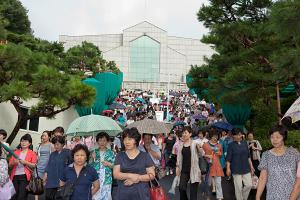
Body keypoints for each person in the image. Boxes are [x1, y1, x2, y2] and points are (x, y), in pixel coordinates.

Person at [255, 124, 300, 200]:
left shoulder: (294, 154)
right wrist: (257, 196)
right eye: (272, 137)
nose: (274, 140)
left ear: (284, 137)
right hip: (273, 196)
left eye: (278, 137)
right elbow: (262, 177)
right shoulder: (266, 155)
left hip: (292, 195)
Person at [113, 128, 155, 200]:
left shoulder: (145, 156)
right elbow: (116, 174)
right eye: (125, 139)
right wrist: (132, 176)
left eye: (130, 139)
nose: (126, 142)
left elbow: (152, 175)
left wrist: (138, 178)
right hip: (123, 195)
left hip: (141, 195)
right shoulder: (120, 155)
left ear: (136, 140)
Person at [226, 128, 254, 200]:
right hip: (236, 168)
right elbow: (228, 158)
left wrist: (251, 166)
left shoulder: (245, 143)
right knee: (238, 187)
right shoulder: (231, 145)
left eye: (240, 134)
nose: (239, 136)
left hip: (246, 167)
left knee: (249, 185)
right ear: (233, 136)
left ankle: (243, 198)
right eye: (236, 135)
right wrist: (228, 168)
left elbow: (248, 156)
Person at [176, 126, 201, 200]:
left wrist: (199, 149)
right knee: (181, 188)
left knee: (193, 194)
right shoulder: (181, 144)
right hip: (184, 170)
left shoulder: (195, 143)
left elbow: (202, 154)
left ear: (190, 134)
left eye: (185, 133)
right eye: (183, 133)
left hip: (194, 170)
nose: (184, 134)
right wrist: (177, 167)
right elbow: (179, 157)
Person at [9, 134, 37, 200]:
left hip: (24, 177)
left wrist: (25, 162)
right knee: (13, 196)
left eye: (26, 141)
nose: (23, 143)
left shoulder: (32, 153)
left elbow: (34, 165)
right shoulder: (15, 152)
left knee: (22, 196)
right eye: (22, 141)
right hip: (14, 176)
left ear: (29, 143)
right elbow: (9, 165)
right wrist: (14, 162)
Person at [44, 136, 72, 200]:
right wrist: (45, 175)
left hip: (62, 180)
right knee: (48, 197)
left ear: (62, 144)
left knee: (60, 197)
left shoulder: (68, 152)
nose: (56, 146)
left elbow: (72, 164)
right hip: (51, 180)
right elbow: (48, 165)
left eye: (58, 144)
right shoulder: (52, 154)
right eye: (54, 144)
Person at [90, 132, 115, 200]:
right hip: (95, 179)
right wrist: (92, 158)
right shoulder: (94, 152)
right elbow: (89, 167)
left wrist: (109, 164)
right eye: (100, 140)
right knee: (95, 197)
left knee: (106, 197)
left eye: (104, 140)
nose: (102, 142)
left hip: (107, 179)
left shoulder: (111, 153)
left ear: (107, 141)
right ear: (97, 141)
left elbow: (115, 166)